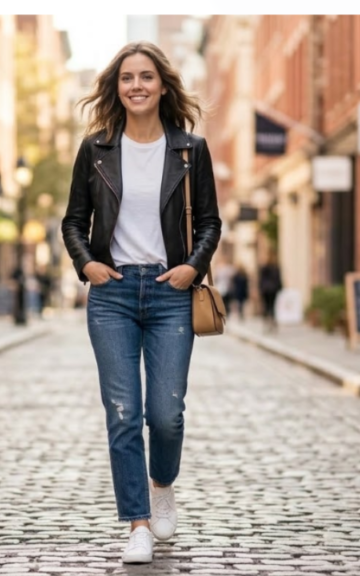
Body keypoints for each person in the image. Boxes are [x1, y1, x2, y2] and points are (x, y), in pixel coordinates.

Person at [61, 41, 221, 564]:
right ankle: (138, 524)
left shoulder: (189, 150)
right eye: (127, 77)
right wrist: (87, 263)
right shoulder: (97, 147)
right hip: (113, 295)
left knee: (167, 414)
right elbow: (73, 221)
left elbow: (210, 222)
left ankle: (162, 485)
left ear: (162, 85)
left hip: (172, 292)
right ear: (117, 87)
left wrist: (192, 267)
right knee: (124, 413)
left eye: (146, 77)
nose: (136, 85)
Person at [259, 255, 283, 331]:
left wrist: (261, 289)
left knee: (267, 306)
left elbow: (261, 280)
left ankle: (267, 322)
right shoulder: (275, 268)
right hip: (273, 290)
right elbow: (278, 280)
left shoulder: (264, 268)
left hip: (266, 290)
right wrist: (280, 288)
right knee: (272, 306)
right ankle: (271, 322)